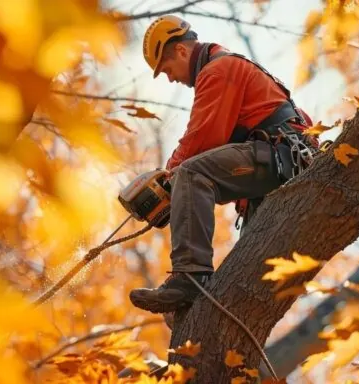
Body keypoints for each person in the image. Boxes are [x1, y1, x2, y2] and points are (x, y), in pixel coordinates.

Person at [128, 15, 317, 314]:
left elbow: (203, 138)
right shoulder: (222, 67)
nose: (170, 78)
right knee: (248, 264)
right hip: (272, 168)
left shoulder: (219, 69)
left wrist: (167, 176)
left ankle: (190, 276)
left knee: (190, 173)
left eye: (166, 69)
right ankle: (191, 311)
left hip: (279, 160)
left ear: (180, 51)